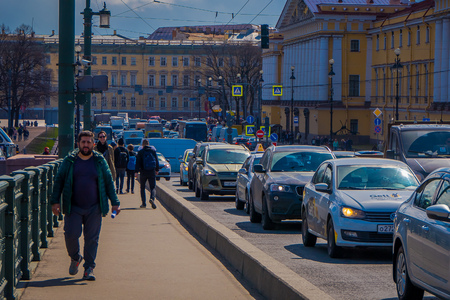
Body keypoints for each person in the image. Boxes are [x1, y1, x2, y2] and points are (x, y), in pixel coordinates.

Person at [50, 131, 120, 281]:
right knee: (70, 234)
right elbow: (59, 181)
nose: (86, 145)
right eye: (83, 142)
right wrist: (55, 201)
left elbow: (108, 182)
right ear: (78, 144)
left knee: (92, 239)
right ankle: (75, 258)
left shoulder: (100, 161)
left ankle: (89, 268)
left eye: (89, 142)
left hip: (95, 207)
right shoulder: (69, 161)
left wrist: (115, 203)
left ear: (93, 144)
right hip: (73, 206)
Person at [136, 139, 159, 209]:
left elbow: (137, 162)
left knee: (142, 187)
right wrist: (157, 170)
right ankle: (152, 198)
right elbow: (156, 160)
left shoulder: (140, 152)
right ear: (148, 144)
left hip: (143, 172)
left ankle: (143, 203)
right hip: (151, 171)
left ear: (142, 144)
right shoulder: (153, 151)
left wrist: (136, 171)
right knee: (153, 187)